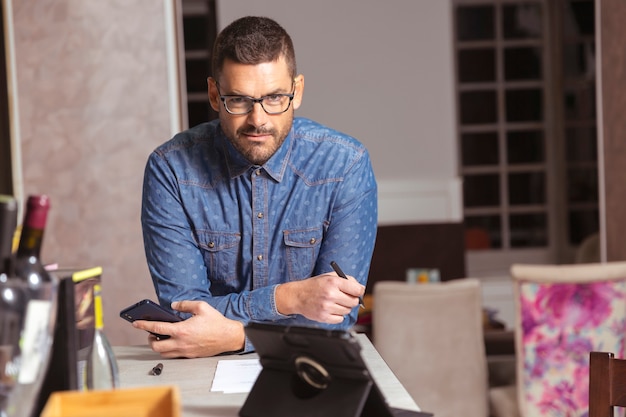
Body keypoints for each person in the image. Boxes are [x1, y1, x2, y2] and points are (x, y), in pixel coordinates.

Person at [135, 16, 378, 358]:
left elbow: (336, 315)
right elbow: (184, 315)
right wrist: (290, 299)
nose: (258, 119)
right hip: (202, 371)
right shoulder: (171, 170)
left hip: (308, 366)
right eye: (239, 100)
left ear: (298, 92)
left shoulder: (345, 165)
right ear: (214, 95)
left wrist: (237, 336)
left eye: (275, 97)